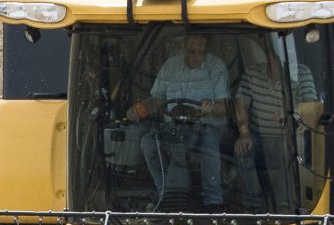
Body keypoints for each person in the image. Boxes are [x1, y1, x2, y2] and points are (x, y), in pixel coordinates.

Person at [133, 32, 232, 207]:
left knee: (209, 144)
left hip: (205, 126)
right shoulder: (170, 66)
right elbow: (156, 100)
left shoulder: (217, 67)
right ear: (184, 48)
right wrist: (138, 111)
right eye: (191, 51)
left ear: (207, 51)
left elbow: (225, 107)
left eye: (200, 52)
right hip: (173, 126)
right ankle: (163, 191)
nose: (195, 56)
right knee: (148, 142)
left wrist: (211, 106)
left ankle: (213, 200)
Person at [229, 39, 322, 211]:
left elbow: (311, 108)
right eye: (275, 57)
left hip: (289, 135)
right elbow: (240, 103)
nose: (278, 62)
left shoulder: (302, 73)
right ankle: (252, 207)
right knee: (242, 150)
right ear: (268, 55)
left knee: (284, 152)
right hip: (257, 136)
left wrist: (292, 112)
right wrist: (244, 133)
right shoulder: (252, 73)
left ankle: (284, 207)